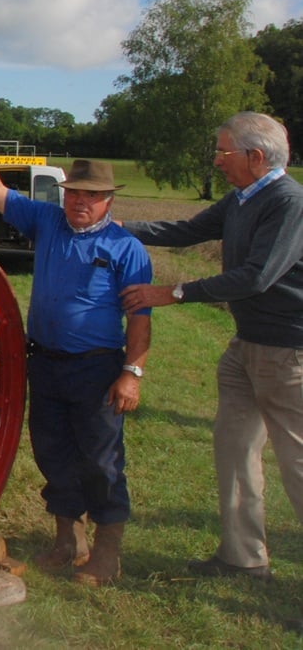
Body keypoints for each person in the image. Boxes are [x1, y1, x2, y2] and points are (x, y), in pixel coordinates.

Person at [0, 113, 152, 586]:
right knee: (53, 452)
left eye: (91, 196)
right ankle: (68, 541)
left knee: (100, 460)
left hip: (98, 369)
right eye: (74, 193)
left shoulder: (126, 249)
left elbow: (140, 320)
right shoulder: (49, 222)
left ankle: (106, 553)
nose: (80, 202)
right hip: (45, 362)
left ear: (108, 200)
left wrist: (132, 373)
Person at [120, 111, 303, 580]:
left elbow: (257, 277)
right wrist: (113, 225)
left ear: (255, 157)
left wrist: (175, 293)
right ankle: (243, 558)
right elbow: (186, 232)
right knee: (235, 450)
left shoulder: (288, 203)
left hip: (288, 353)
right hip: (246, 346)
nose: (217, 161)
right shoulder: (242, 197)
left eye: (224, 152)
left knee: (296, 465)